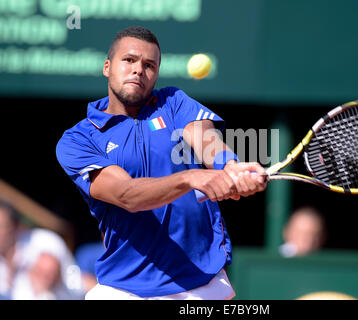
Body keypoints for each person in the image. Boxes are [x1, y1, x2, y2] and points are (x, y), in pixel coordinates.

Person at [56, 26, 267, 300]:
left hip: (200, 285)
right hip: (123, 288)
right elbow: (126, 194)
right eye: (129, 60)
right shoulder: (79, 139)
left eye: (149, 65)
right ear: (107, 67)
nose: (138, 70)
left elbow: (205, 140)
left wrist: (229, 166)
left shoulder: (173, 102)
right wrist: (190, 178)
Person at [0, 200, 83, 299]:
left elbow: (76, 283)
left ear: (15, 227)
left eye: (1, 227)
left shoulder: (45, 241)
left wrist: (54, 277)